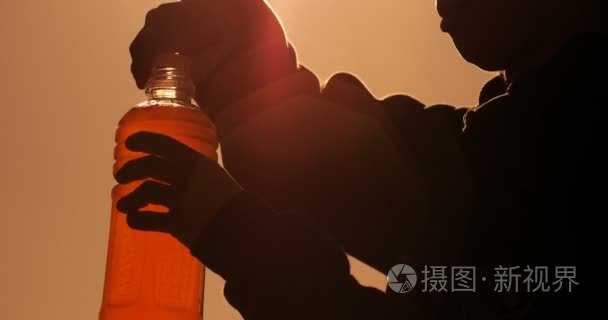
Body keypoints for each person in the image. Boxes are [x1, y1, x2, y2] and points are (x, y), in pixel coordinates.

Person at [117, 0, 604, 318]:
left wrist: (237, 237)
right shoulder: (513, 142)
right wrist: (245, 68)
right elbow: (377, 170)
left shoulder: (562, 152)